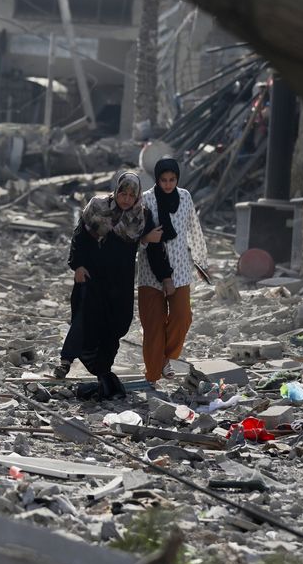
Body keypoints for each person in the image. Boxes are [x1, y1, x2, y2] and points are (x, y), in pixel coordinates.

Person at [55, 172, 165, 398]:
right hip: (92, 276)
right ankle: (65, 361)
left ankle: (103, 372)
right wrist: (78, 266)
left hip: (120, 283)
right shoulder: (97, 206)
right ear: (116, 191)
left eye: (130, 195)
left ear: (136, 197)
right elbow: (80, 237)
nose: (125, 199)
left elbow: (154, 249)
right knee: (86, 318)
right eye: (122, 193)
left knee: (118, 324)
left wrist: (166, 277)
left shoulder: (141, 217)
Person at [138, 157, 210, 384]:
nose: (168, 184)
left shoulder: (185, 197)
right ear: (157, 179)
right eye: (164, 180)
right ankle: (151, 377)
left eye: (172, 180)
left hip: (180, 269)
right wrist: (145, 239)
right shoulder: (147, 199)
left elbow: (194, 228)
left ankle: (166, 358)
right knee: (153, 325)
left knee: (182, 317)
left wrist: (200, 262)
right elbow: (138, 233)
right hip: (151, 271)